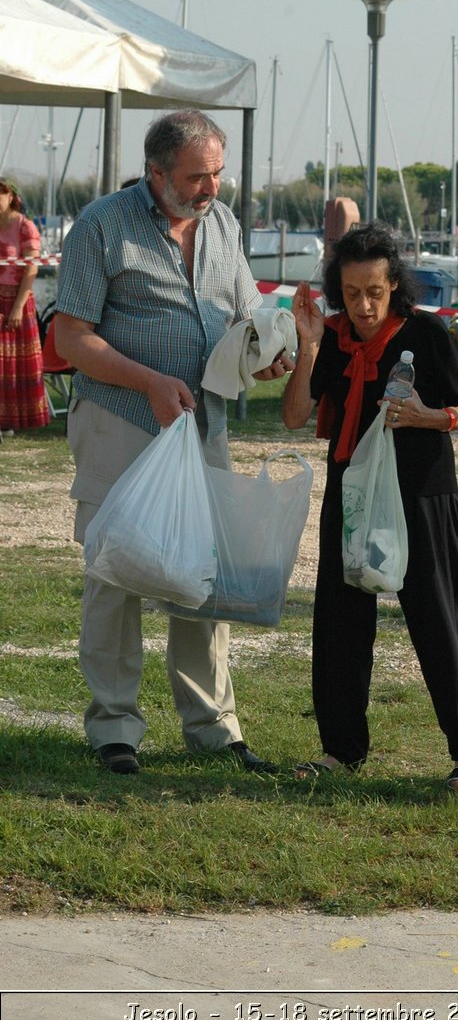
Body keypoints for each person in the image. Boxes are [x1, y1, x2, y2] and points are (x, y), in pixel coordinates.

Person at [55, 110, 294, 775]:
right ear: (156, 174)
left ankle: (214, 729)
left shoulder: (222, 224)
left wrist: (264, 354)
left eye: (218, 174)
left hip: (203, 424)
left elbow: (244, 312)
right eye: (196, 177)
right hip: (121, 419)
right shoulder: (102, 226)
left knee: (203, 575)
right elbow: (69, 337)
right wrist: (150, 382)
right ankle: (114, 730)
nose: (210, 188)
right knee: (115, 571)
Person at [283, 221, 458, 791]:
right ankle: (340, 749)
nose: (365, 305)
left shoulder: (426, 335)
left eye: (375, 292)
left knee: (437, 619)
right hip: (352, 494)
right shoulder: (330, 336)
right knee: (339, 622)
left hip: (421, 494)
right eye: (352, 294)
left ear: (394, 284)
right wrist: (307, 346)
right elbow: (295, 416)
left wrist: (431, 417)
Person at [0, 178, 49, 434]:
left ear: (10, 197)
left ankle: (13, 421)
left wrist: (18, 306)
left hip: (17, 298)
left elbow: (31, 268)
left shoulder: (25, 227)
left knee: (13, 363)